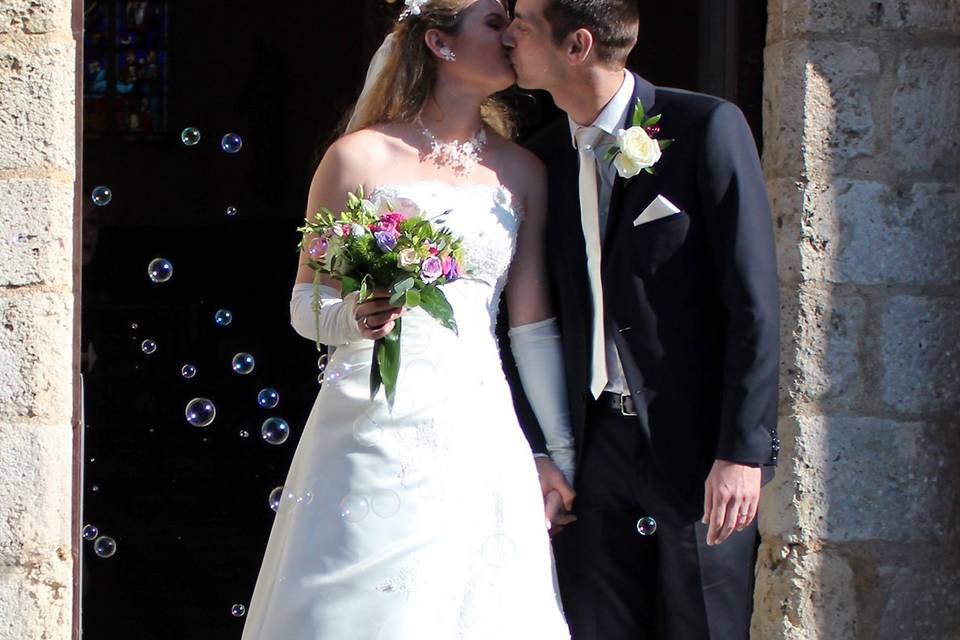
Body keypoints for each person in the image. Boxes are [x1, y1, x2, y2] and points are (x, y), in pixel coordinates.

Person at [242, 1, 571, 638]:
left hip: (477, 424)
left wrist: (554, 451)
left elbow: (531, 328)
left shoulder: (524, 171)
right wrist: (353, 320)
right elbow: (305, 301)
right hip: (371, 420)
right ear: (441, 44)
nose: (511, 37)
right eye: (493, 23)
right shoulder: (358, 160)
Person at [501, 1, 781, 638]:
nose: (508, 34)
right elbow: (519, 319)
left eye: (524, 23)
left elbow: (754, 305)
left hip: (696, 450)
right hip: (594, 447)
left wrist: (740, 452)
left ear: (576, 45)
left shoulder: (705, 126)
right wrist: (542, 449)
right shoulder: (540, 158)